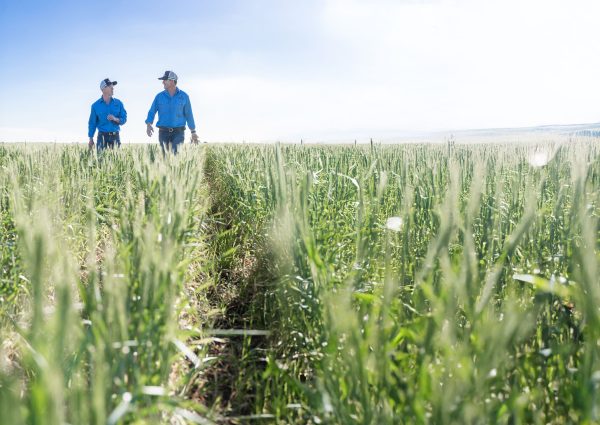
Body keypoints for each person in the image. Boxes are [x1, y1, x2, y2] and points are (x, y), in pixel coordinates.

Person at [145, 71, 199, 155]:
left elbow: (189, 114)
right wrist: (149, 124)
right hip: (163, 132)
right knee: (165, 158)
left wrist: (193, 131)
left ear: (172, 81)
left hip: (179, 133)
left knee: (175, 157)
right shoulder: (159, 96)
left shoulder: (184, 96)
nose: (163, 82)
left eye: (165, 80)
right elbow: (152, 111)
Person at [88, 78, 127, 151]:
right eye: (110, 86)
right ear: (103, 89)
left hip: (115, 137)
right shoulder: (95, 106)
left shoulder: (119, 103)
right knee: (101, 160)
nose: (113, 88)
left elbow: (124, 119)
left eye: (112, 86)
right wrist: (91, 138)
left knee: (117, 161)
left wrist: (115, 119)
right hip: (101, 137)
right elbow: (92, 123)